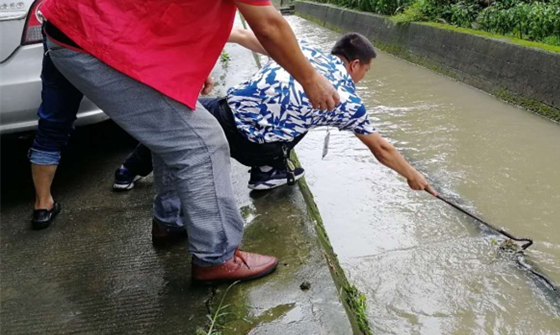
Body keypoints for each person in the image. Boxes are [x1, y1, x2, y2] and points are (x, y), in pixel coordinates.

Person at [37, 0, 339, 286]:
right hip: (93, 41)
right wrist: (311, 79)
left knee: (176, 131)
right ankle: (216, 256)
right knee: (203, 142)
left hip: (97, 35)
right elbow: (269, 24)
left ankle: (171, 220)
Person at [117, 32, 436, 234]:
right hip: (258, 147)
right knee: (305, 120)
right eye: (366, 70)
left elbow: (241, 35)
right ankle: (268, 170)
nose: (363, 78)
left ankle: (127, 171)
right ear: (354, 65)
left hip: (226, 117)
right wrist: (412, 175)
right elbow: (380, 148)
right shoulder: (346, 100)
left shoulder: (299, 49)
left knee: (177, 120)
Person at [29, 0, 159, 230]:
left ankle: (42, 205)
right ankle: (134, 175)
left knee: (53, 120)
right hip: (98, 39)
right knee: (155, 112)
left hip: (56, 35)